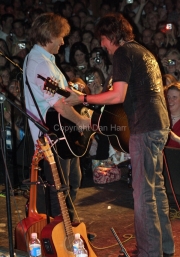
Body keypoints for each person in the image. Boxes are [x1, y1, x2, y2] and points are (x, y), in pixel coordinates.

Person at [64, 13, 175, 257]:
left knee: (143, 194)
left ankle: (149, 252)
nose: (102, 45)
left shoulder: (123, 53)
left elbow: (118, 95)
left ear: (111, 35)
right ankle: (164, 247)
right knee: (155, 189)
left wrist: (81, 98)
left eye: (102, 39)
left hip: (145, 127)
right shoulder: (144, 52)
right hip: (159, 124)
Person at [23, 13, 90, 223]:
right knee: (60, 187)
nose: (63, 41)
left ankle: (70, 225)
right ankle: (63, 232)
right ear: (50, 35)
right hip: (52, 135)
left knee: (71, 181)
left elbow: (60, 96)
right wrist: (80, 120)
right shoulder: (41, 64)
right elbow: (58, 104)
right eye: (61, 36)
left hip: (60, 133)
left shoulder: (44, 61)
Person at [166, 82, 180, 148]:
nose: (170, 101)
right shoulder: (161, 117)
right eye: (168, 97)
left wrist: (174, 137)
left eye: (174, 97)